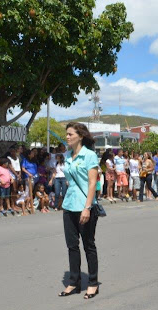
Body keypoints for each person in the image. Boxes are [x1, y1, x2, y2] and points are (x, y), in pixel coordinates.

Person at [58, 122, 100, 299]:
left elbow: (92, 183)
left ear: (80, 136)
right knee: (72, 246)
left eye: (70, 134)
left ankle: (93, 283)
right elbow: (70, 179)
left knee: (88, 245)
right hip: (69, 205)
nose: (67, 137)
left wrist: (87, 208)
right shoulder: (68, 155)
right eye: (66, 134)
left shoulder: (89, 155)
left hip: (85, 206)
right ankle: (74, 282)